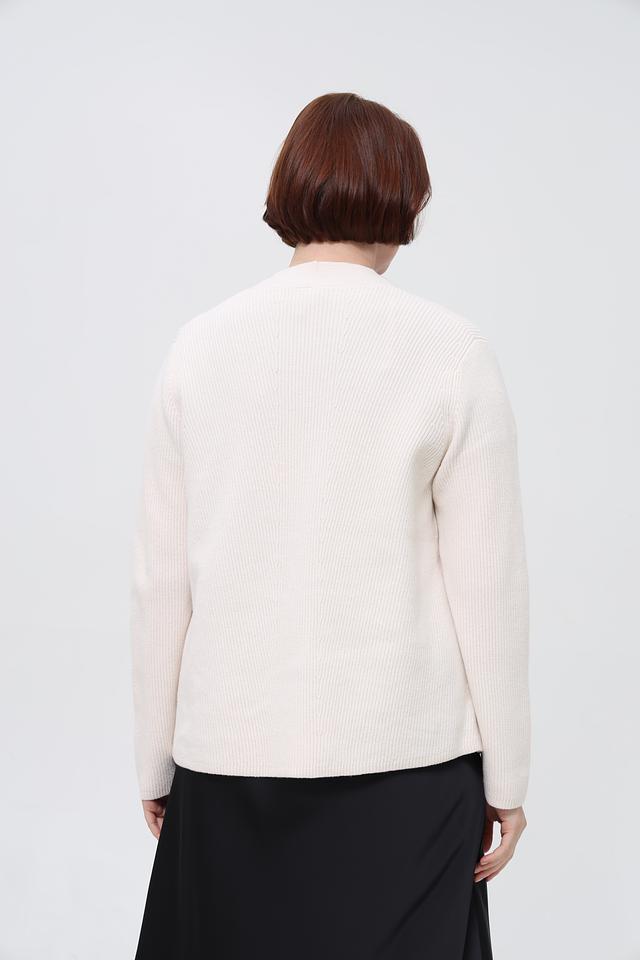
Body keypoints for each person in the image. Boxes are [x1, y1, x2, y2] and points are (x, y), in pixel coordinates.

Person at [130, 91, 530, 959]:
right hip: (410, 771)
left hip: (229, 765)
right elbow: (486, 587)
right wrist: (508, 777)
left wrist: (155, 759)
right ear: (403, 198)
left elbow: (162, 581)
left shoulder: (200, 348)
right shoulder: (450, 351)